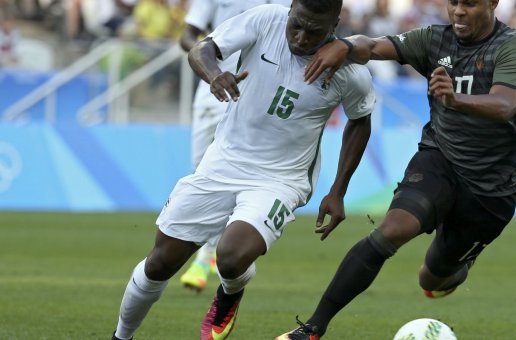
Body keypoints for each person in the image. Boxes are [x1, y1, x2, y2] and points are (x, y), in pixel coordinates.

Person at [110, 1, 375, 339]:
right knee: (160, 262)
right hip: (224, 160)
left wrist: (338, 190)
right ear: (290, 8)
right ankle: (121, 336)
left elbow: (360, 120)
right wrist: (214, 74)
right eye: (297, 24)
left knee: (232, 256)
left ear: (334, 24)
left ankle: (230, 293)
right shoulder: (265, 20)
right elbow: (201, 49)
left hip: (281, 179)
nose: (302, 37)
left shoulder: (349, 70)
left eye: (315, 31)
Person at [277, 0, 516, 338]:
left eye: (469, 4)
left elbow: (505, 105)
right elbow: (374, 46)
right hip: (439, 161)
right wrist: (343, 45)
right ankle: (311, 328)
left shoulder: (511, 47)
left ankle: (457, 267)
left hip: (490, 189)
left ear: (492, 4)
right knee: (392, 230)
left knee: (432, 277)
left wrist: (455, 99)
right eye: (453, 2)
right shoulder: (433, 40)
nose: (458, 11)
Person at [177, 0, 292, 294]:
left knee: (249, 179)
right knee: (204, 175)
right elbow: (188, 35)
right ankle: (212, 252)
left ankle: (206, 258)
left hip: (260, 95)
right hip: (214, 89)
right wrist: (213, 64)